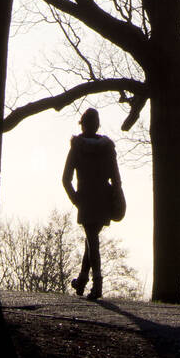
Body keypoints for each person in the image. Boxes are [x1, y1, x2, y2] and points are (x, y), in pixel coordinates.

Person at [61, 107, 121, 300]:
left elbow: (65, 179)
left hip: (86, 198)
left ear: (82, 124)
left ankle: (97, 283)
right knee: (92, 238)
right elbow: (116, 179)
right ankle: (82, 280)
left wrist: (76, 199)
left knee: (91, 239)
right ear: (97, 124)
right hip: (103, 198)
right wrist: (114, 196)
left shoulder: (77, 147)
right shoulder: (107, 148)